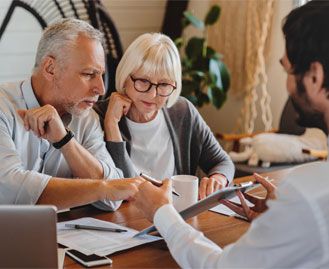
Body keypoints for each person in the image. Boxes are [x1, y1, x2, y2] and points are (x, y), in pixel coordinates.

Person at [132, 1, 329, 267]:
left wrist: (162, 213)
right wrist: (280, 224)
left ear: (314, 76)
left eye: (287, 70)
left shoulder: (310, 191)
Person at [0, 18, 142, 211]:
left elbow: (112, 200)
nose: (100, 88)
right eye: (89, 74)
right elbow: (8, 190)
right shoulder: (3, 107)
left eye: (101, 75)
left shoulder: (87, 118)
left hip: (63, 238)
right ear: (50, 68)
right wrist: (102, 188)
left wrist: (65, 141)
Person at [95, 33, 234, 199]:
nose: (153, 94)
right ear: (125, 77)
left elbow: (222, 162)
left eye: (164, 84)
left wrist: (218, 178)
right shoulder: (98, 115)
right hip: (123, 219)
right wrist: (111, 125)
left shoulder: (182, 111)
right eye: (143, 81)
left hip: (174, 215)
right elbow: (120, 189)